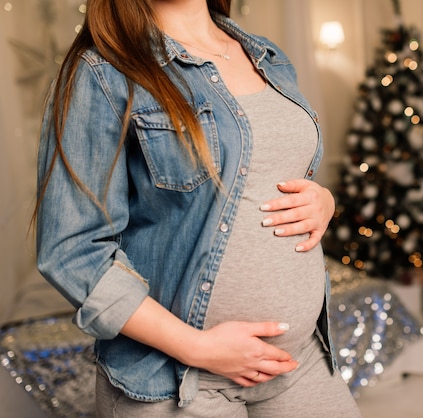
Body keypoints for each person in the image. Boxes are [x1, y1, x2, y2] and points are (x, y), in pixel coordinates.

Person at [35, 0, 362, 416]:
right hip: (178, 379)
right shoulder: (101, 71)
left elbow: (263, 170)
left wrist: (324, 200)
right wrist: (198, 347)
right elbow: (72, 250)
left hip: (300, 360)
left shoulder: (266, 54)